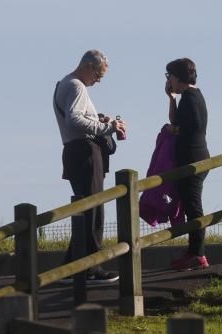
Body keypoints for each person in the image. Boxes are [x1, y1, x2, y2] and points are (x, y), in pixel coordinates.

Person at [53, 49, 127, 283]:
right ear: (87, 66)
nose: (97, 81)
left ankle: (70, 268)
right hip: (84, 151)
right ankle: (92, 268)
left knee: (85, 211)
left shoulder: (63, 84)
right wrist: (108, 127)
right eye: (98, 75)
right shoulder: (77, 86)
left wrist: (98, 120)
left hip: (74, 152)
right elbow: (74, 119)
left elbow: (75, 118)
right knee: (94, 210)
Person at [165, 58, 210, 271]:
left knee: (193, 208)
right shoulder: (190, 96)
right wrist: (171, 98)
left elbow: (193, 125)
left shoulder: (191, 98)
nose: (168, 81)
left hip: (193, 159)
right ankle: (194, 251)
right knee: (191, 206)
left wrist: (174, 131)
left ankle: (198, 253)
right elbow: (177, 121)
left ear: (176, 76)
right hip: (194, 157)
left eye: (169, 76)